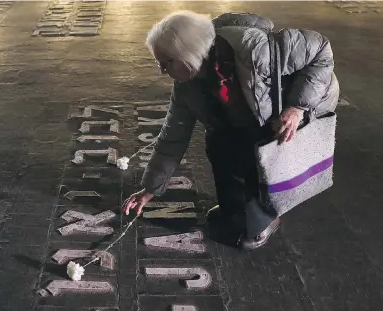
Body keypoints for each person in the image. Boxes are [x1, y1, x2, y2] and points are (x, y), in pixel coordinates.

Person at [122, 11, 339, 250]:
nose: (163, 71)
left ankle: (265, 218)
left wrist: (297, 107)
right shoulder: (187, 84)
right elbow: (173, 134)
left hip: (300, 105)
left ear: (188, 53)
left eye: (167, 63)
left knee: (257, 150)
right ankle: (235, 209)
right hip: (252, 113)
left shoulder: (254, 50)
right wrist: (150, 189)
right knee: (218, 143)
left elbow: (321, 51)